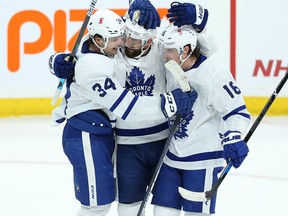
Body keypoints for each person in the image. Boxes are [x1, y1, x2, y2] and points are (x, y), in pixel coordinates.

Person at [50, 1, 218, 215]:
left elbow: (205, 51)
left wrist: (201, 26)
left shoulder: (161, 51)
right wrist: (57, 61)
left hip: (163, 140)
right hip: (126, 143)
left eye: (138, 40)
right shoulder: (112, 50)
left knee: (166, 208)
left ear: (151, 39)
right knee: (128, 209)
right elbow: (88, 50)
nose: (129, 43)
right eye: (127, 36)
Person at [150, 24, 251, 216]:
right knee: (161, 212)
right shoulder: (171, 66)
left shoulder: (214, 75)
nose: (164, 54)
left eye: (169, 50)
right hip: (172, 156)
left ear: (185, 50)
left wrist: (234, 136)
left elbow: (238, 112)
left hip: (202, 160)